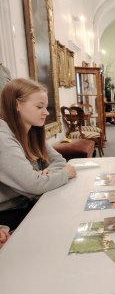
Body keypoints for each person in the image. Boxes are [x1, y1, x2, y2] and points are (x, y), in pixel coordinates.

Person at [0, 78, 77, 230]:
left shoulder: (31, 131)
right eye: (39, 107)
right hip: (9, 217)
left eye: (46, 107)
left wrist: (47, 174)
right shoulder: (3, 139)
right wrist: (65, 174)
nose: (46, 112)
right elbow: (33, 185)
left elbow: (59, 161)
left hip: (29, 203)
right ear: (17, 105)